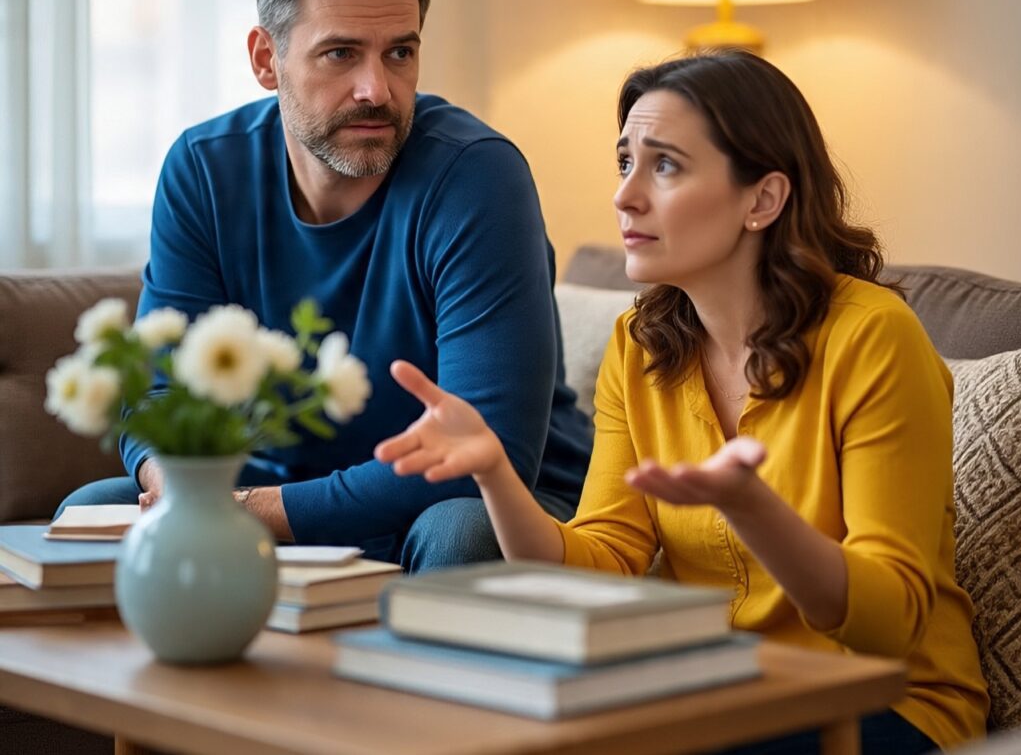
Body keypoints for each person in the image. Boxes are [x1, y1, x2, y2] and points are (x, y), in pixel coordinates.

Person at [374, 51, 989, 752]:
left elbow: (890, 622)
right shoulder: (640, 346)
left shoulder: (874, 336)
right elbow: (605, 556)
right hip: (723, 695)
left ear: (763, 199)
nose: (626, 196)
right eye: (625, 162)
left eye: (664, 165)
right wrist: (495, 474)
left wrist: (752, 506)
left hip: (889, 703)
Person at [57, 0, 591, 571]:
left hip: (488, 502)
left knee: (463, 532)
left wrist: (255, 510)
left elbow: (485, 452)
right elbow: (160, 389)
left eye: (400, 51)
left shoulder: (477, 176)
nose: (377, 89)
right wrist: (173, 480)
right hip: (282, 490)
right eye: (340, 53)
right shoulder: (203, 168)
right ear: (265, 59)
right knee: (93, 505)